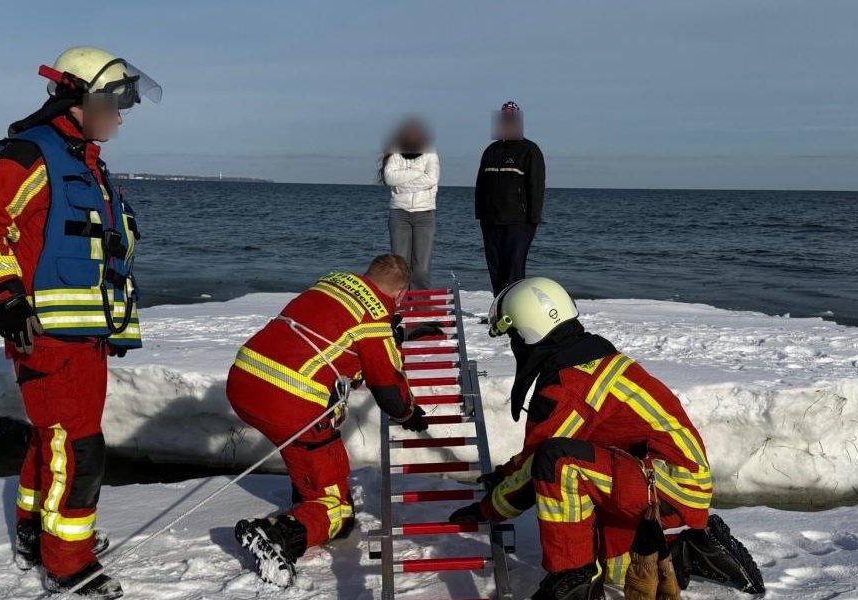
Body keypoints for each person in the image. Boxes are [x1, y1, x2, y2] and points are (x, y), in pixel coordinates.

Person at [0, 46, 162, 599]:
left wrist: (112, 325)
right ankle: (67, 564)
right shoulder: (31, 155)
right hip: (45, 334)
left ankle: (33, 532)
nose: (121, 115)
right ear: (78, 99)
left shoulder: (86, 159)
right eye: (115, 103)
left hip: (84, 334)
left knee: (55, 440)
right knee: (80, 448)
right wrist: (8, 299)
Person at [449, 278, 764, 600]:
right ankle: (688, 553)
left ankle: (572, 578)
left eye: (513, 335)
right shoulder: (589, 359)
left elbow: (539, 464)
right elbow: (538, 448)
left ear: (527, 333)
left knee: (558, 462)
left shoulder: (569, 385)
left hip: (667, 485)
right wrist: (503, 476)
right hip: (661, 476)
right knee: (617, 570)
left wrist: (489, 509)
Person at [227, 255, 441, 588]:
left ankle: (304, 495)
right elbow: (388, 390)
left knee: (305, 450)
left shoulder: (332, 282)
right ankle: (276, 535)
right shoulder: (376, 321)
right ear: (400, 295)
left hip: (243, 380)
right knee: (339, 511)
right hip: (290, 400)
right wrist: (409, 413)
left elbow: (331, 336)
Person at [475, 100, 546, 295]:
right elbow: (481, 184)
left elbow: (536, 185)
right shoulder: (491, 151)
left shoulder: (530, 150)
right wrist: (480, 213)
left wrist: (532, 219)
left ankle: (514, 309)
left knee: (513, 268)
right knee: (496, 268)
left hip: (518, 221)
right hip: (490, 220)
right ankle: (499, 310)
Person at [381, 117, 440, 290]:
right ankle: (400, 300)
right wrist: (416, 173)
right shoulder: (395, 151)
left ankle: (420, 302)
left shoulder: (430, 151)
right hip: (399, 213)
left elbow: (432, 179)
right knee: (399, 264)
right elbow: (389, 177)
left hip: (424, 214)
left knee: (421, 267)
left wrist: (403, 180)